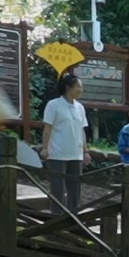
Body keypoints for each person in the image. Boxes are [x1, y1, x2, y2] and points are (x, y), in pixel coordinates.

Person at [39, 73, 87, 216]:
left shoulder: (80, 108)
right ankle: (57, 217)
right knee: (58, 188)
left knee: (75, 188)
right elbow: (48, 128)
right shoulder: (53, 105)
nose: (80, 90)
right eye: (78, 87)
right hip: (58, 153)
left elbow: (82, 130)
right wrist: (45, 148)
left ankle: (74, 216)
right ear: (68, 87)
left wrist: (86, 151)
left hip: (76, 154)